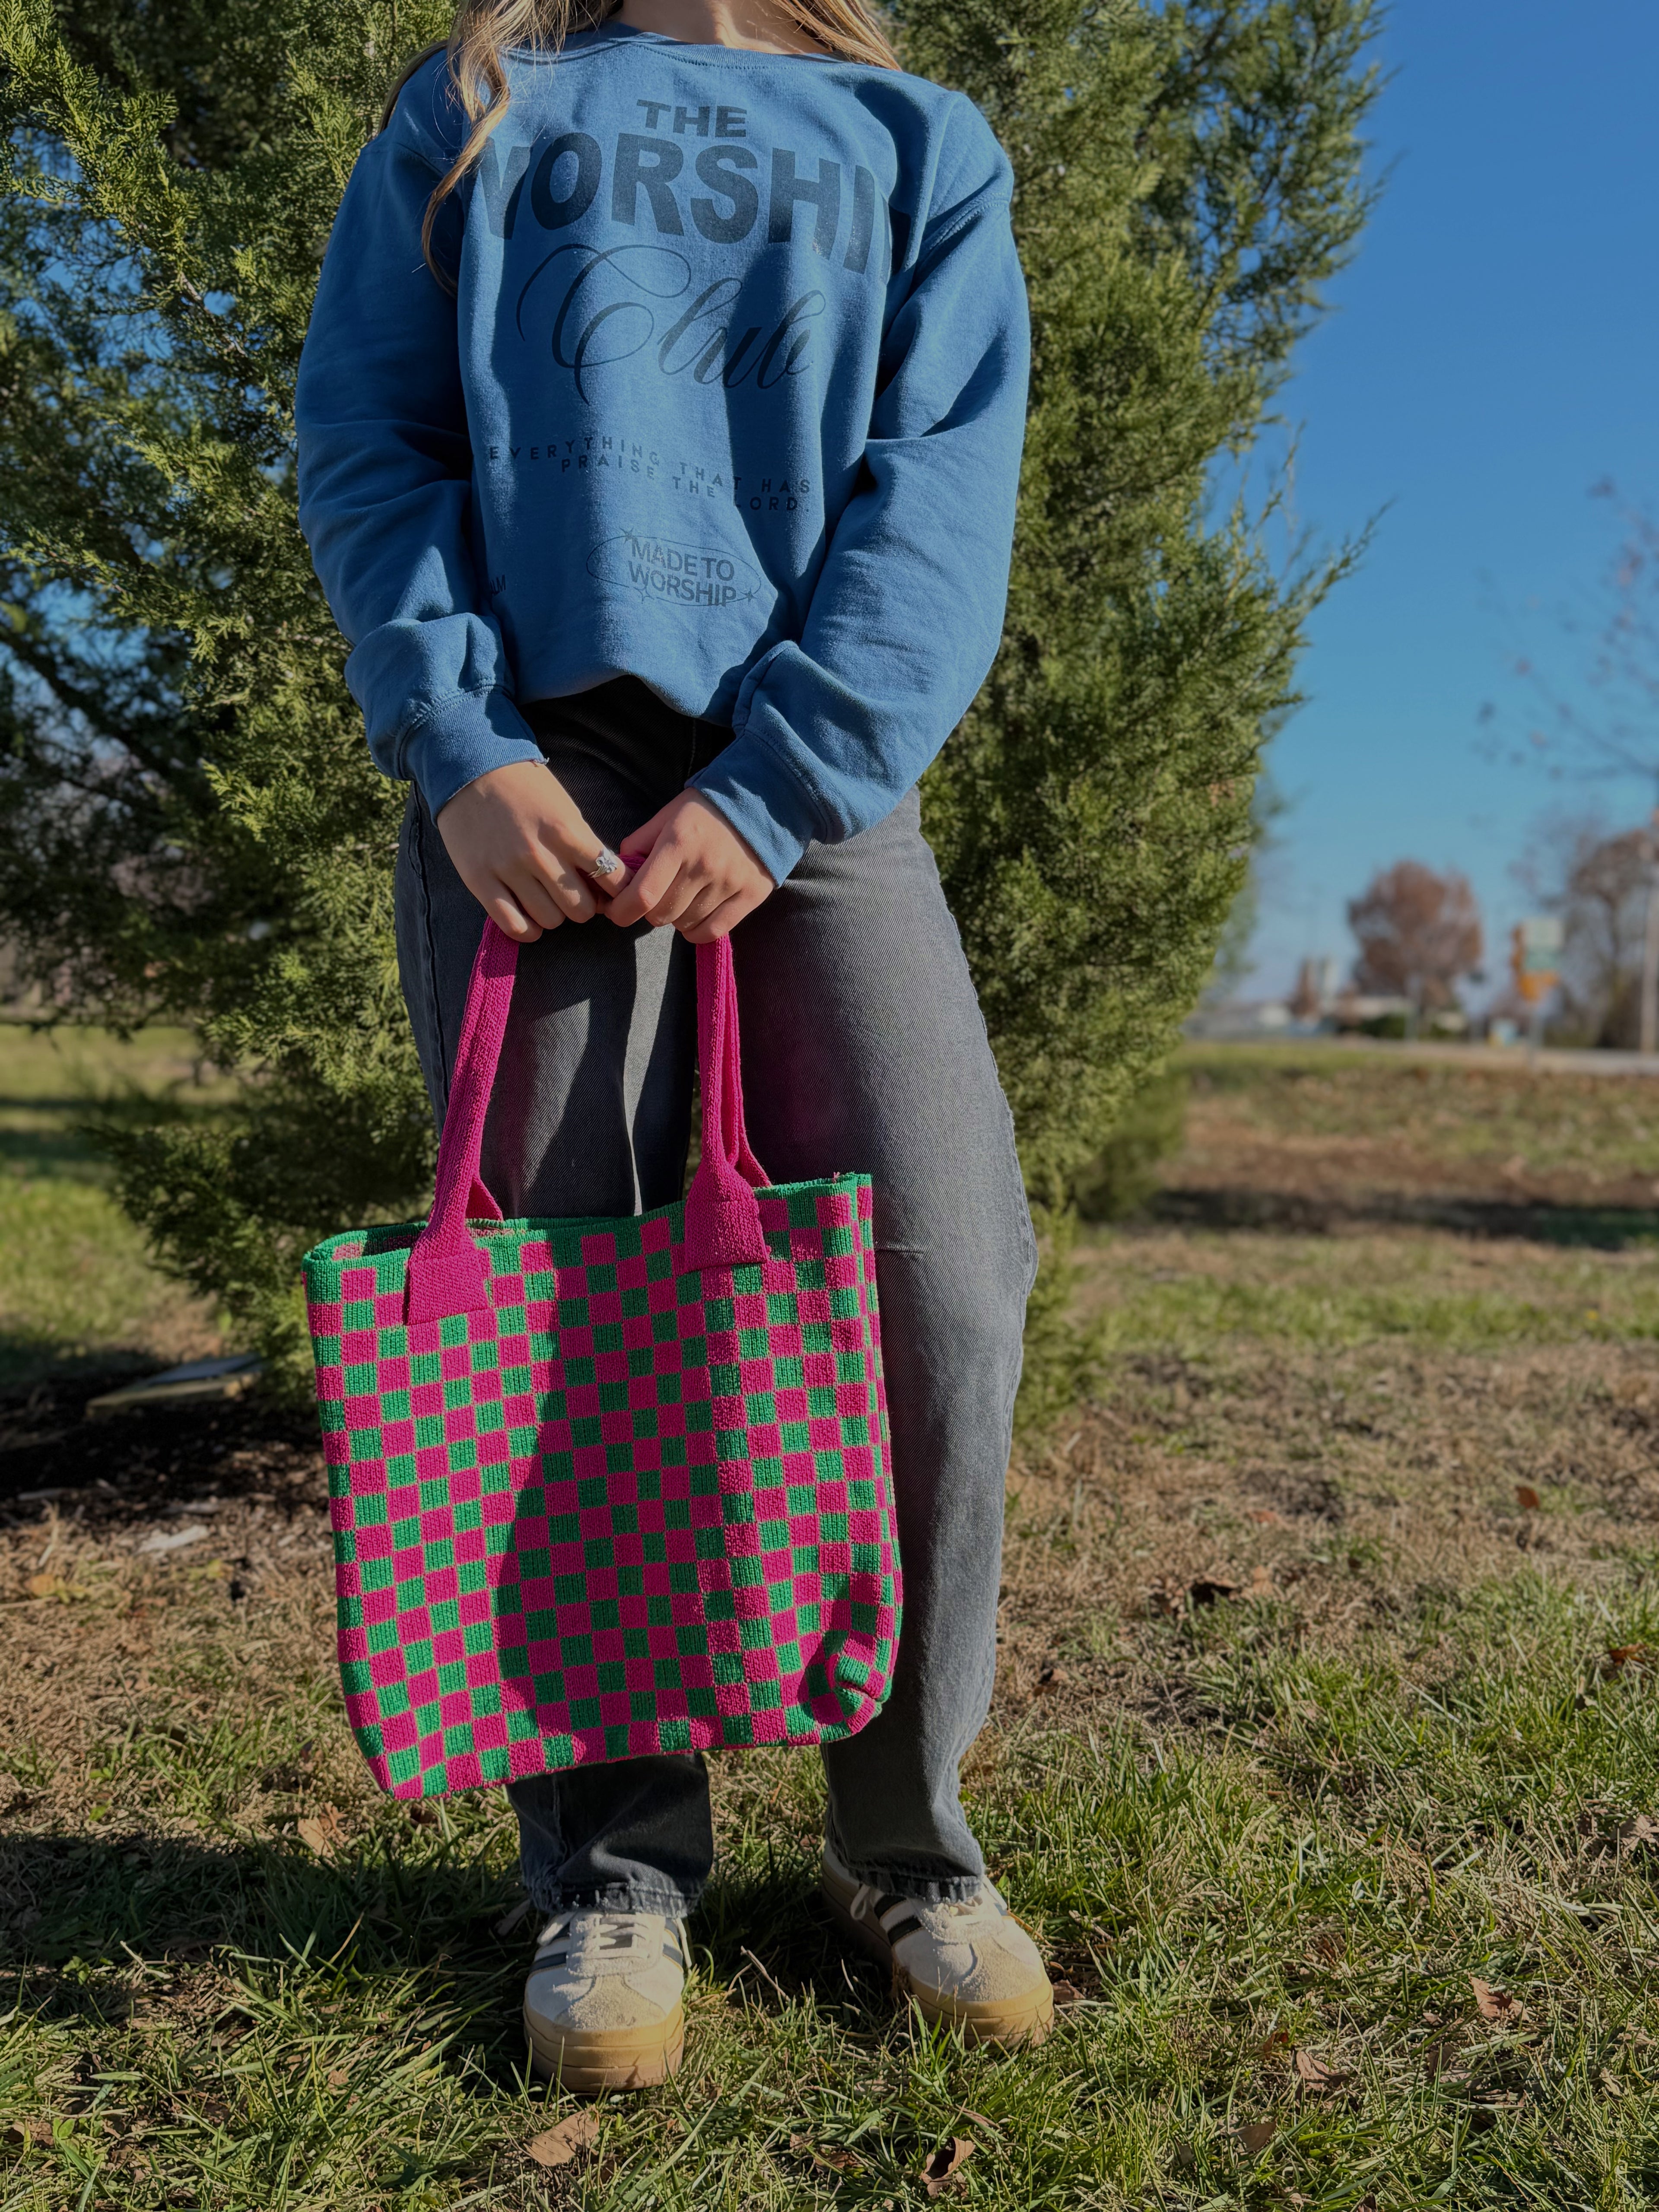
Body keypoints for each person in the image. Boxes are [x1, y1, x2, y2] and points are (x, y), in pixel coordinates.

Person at [296, 0, 1043, 2093]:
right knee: (566, 1298)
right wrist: (452, 739)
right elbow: (371, 429)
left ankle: (901, 1837)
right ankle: (615, 1872)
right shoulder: (471, 106)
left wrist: (781, 782)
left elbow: (940, 479)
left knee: (948, 1275)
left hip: (809, 786)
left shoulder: (918, 136)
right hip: (528, 766)